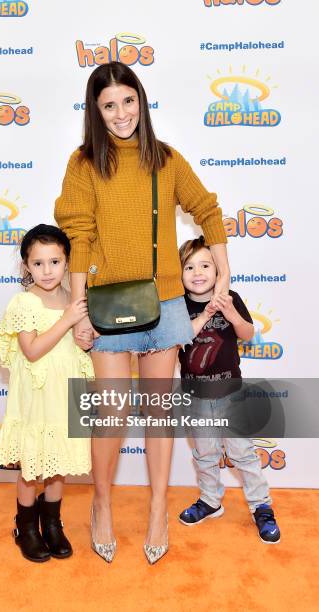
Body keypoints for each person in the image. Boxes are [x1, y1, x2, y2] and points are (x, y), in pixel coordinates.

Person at [54, 61, 229, 564]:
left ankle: (157, 507)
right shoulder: (83, 162)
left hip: (166, 303)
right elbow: (78, 234)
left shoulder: (166, 159)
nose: (120, 113)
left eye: (128, 101)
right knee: (111, 414)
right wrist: (78, 306)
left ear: (141, 100)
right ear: (95, 111)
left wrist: (224, 273)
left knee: (158, 415)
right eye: (108, 105)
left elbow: (208, 209)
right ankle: (102, 503)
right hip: (109, 306)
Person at [0, 224, 94, 562]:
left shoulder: (75, 300)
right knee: (31, 466)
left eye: (55, 261)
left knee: (57, 463)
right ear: (26, 266)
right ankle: (26, 527)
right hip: (36, 396)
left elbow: (79, 345)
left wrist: (84, 336)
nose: (47, 271)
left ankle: (52, 523)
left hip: (65, 391)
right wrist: (67, 320)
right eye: (38, 263)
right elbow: (33, 350)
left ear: (67, 262)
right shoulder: (24, 302)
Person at [178, 236, 281, 544]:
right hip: (196, 397)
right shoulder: (176, 305)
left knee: (242, 453)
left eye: (206, 265)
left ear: (219, 269)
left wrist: (231, 313)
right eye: (190, 267)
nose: (198, 272)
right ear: (179, 273)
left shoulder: (231, 297)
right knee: (205, 453)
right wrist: (207, 314)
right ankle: (210, 500)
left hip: (231, 393)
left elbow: (249, 334)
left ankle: (261, 506)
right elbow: (181, 337)